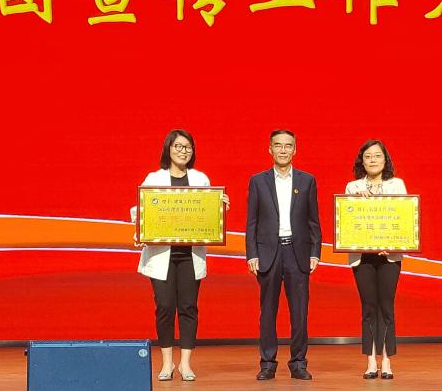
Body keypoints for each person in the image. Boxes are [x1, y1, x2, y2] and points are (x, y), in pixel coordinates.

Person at [133, 129, 229, 382]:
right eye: (178, 146)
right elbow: (140, 209)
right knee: (165, 307)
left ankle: (185, 363)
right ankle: (167, 363)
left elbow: (208, 215)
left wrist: (219, 207)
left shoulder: (201, 179)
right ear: (168, 149)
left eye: (187, 147)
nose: (183, 151)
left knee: (188, 307)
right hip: (161, 255)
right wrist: (141, 230)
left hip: (190, 255)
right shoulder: (154, 178)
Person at [245, 129, 321, 381]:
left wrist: (315, 252)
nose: (283, 150)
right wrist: (252, 254)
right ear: (270, 149)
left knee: (299, 312)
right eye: (278, 145)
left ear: (295, 150)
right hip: (268, 253)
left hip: (297, 253)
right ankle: (267, 363)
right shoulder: (258, 181)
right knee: (268, 311)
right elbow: (252, 222)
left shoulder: (307, 181)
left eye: (288, 146)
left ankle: (298, 363)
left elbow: (313, 220)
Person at [344, 139, 407, 380]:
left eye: (377, 156)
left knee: (386, 306)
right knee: (369, 307)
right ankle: (371, 360)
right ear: (362, 161)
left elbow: (403, 218)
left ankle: (387, 360)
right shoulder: (352, 187)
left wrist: (392, 243)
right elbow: (348, 220)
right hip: (362, 257)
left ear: (385, 160)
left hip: (390, 256)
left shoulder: (396, 184)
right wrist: (355, 201)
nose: (373, 160)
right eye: (368, 156)